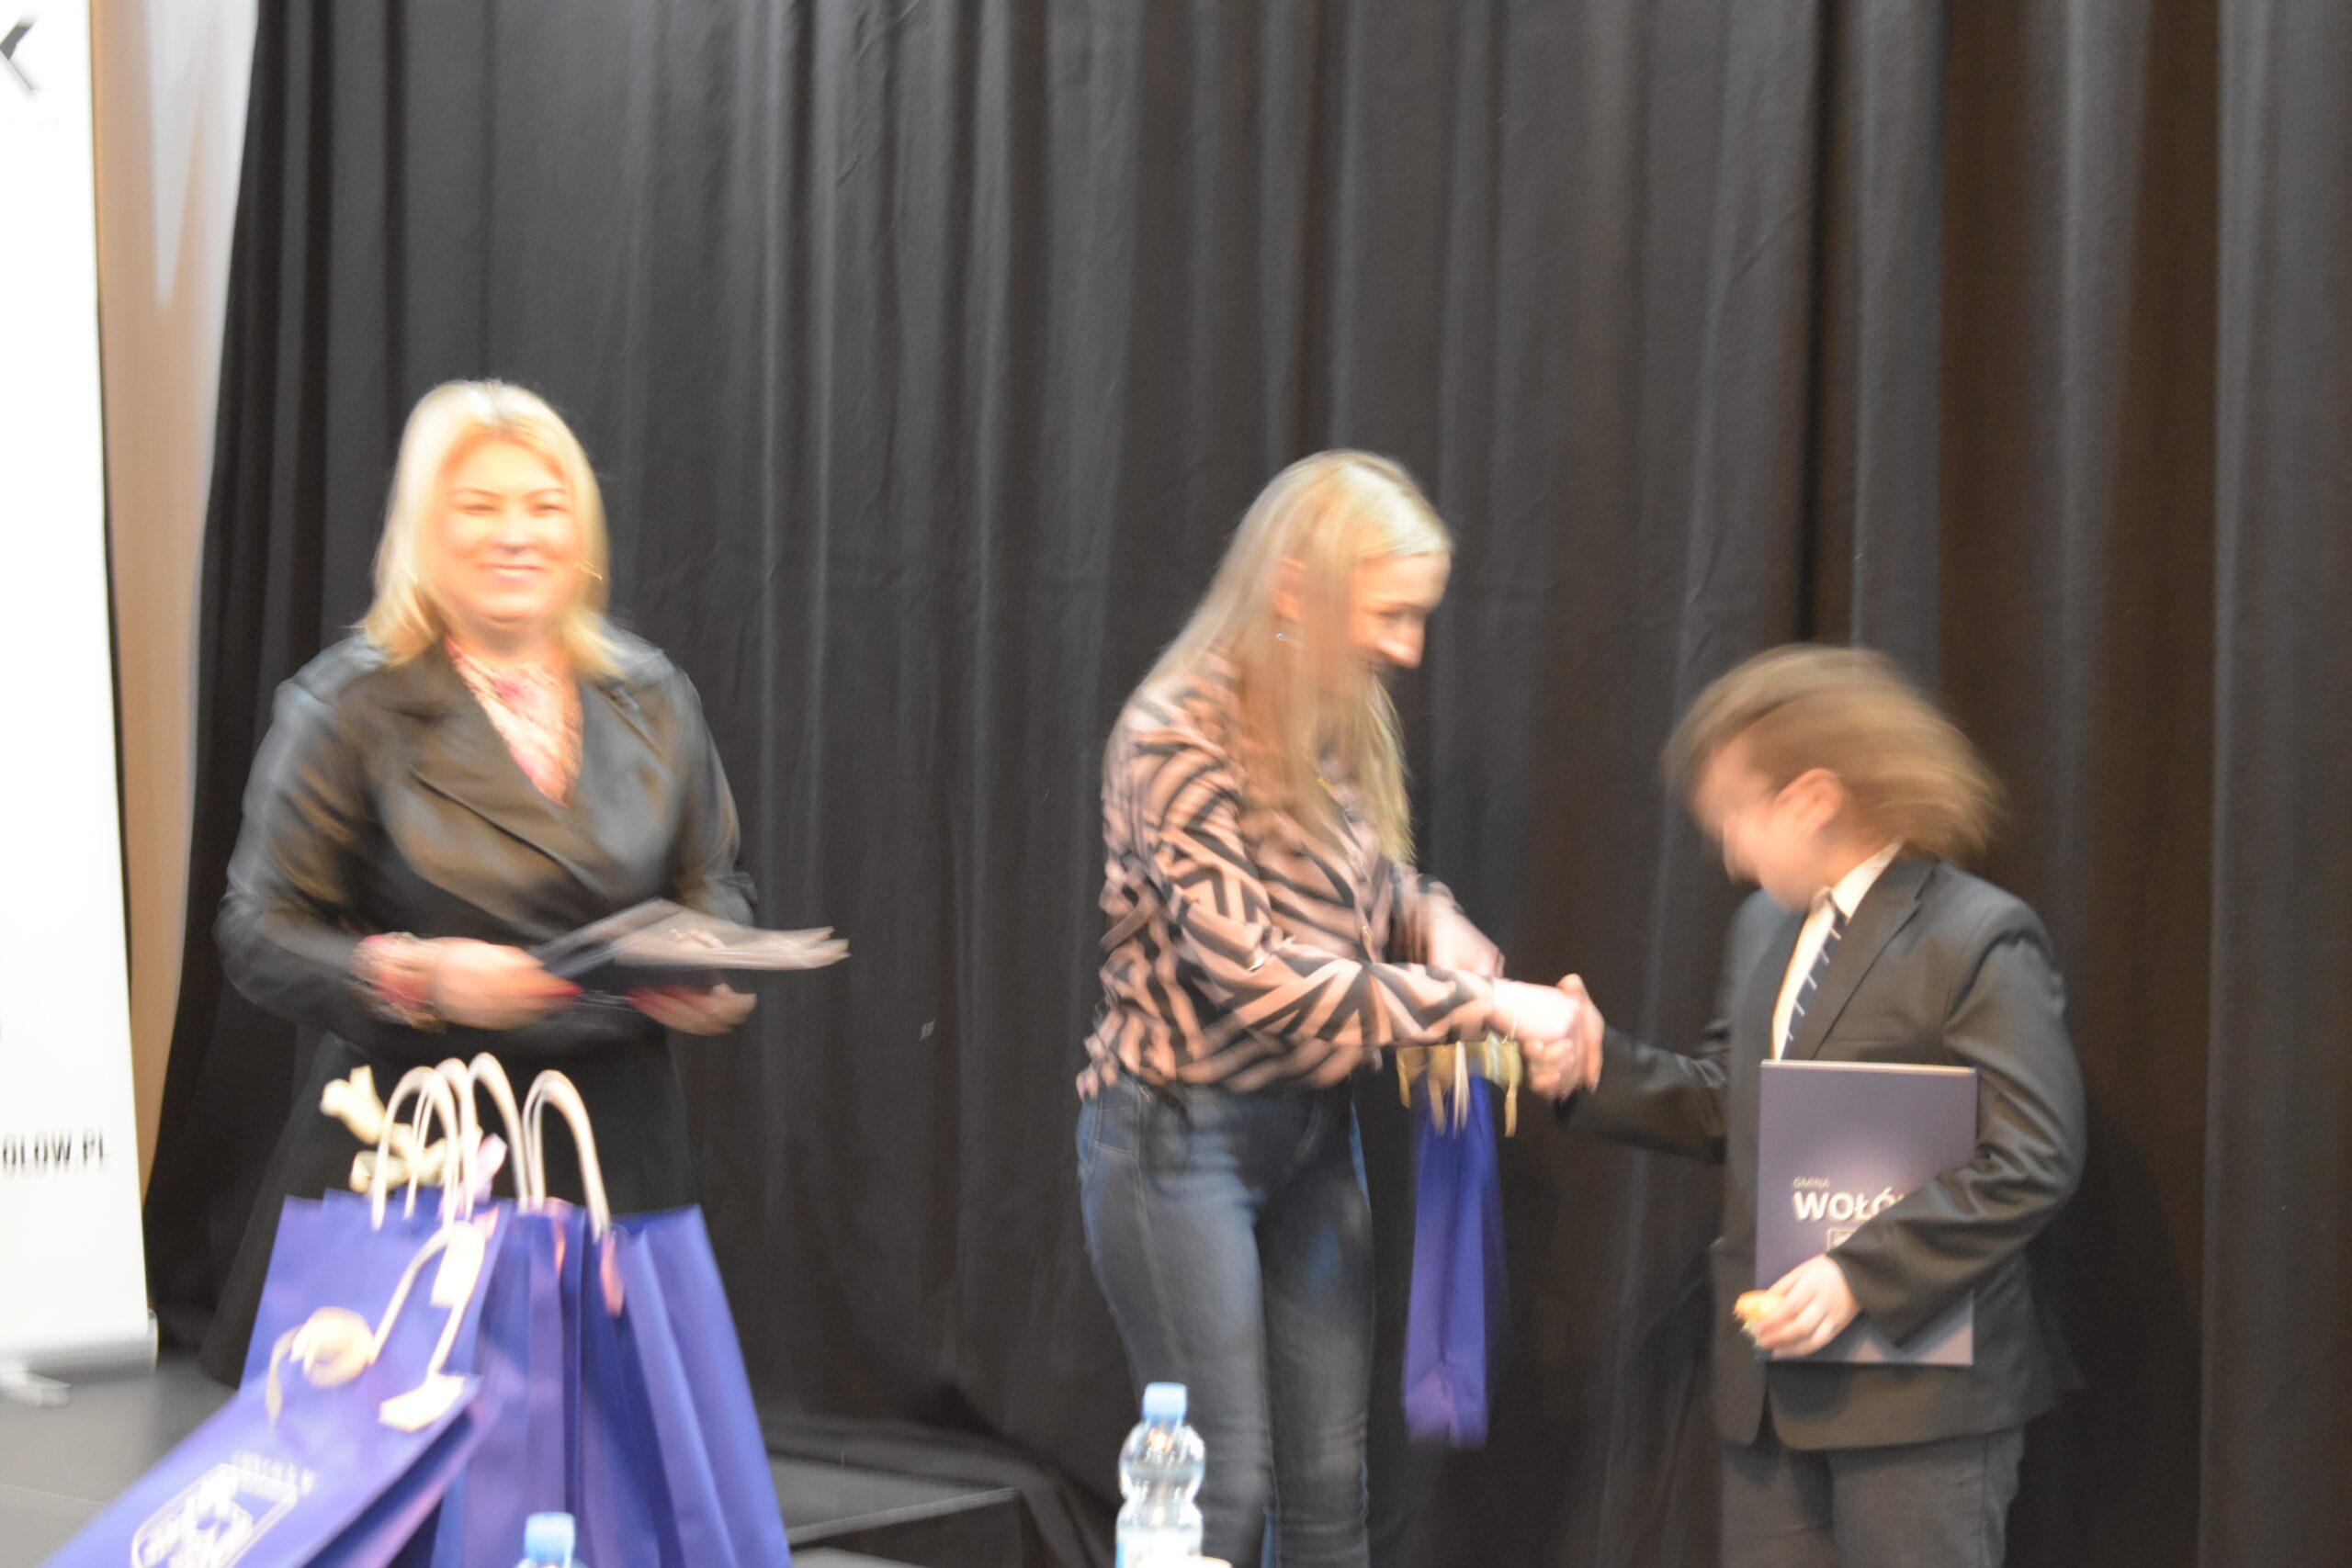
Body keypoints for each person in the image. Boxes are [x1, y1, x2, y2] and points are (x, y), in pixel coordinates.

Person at [1078, 452, 1592, 1568]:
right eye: (1390, 614)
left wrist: (1428, 916)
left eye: (1418, 617)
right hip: (1178, 1143)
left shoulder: (1322, 716)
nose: (1407, 648)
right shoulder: (1174, 735)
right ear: (1293, 588)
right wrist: (1485, 1004)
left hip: (1312, 1138)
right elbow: (1264, 980)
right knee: (1219, 1488)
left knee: (1327, 1494)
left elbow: (1352, 885)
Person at [200, 379, 759, 1384]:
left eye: (544, 506)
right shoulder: (349, 705)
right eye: (479, 506)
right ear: (425, 529)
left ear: (580, 533)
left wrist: (708, 961)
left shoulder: (654, 695)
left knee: (612, 1461)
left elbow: (713, 880)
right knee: (411, 1465)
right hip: (420, 1154)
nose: (515, 534)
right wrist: (416, 974)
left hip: (616, 1158)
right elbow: (257, 929)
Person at [1527, 645, 2086, 1568]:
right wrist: (1597, 1067)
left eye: (1735, 818)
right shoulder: (1763, 929)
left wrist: (1857, 1274)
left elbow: (2031, 1157)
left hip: (1921, 1403)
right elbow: (1735, 1106)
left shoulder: (1975, 935)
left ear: (1813, 798)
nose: (1727, 851)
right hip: (1774, 1397)